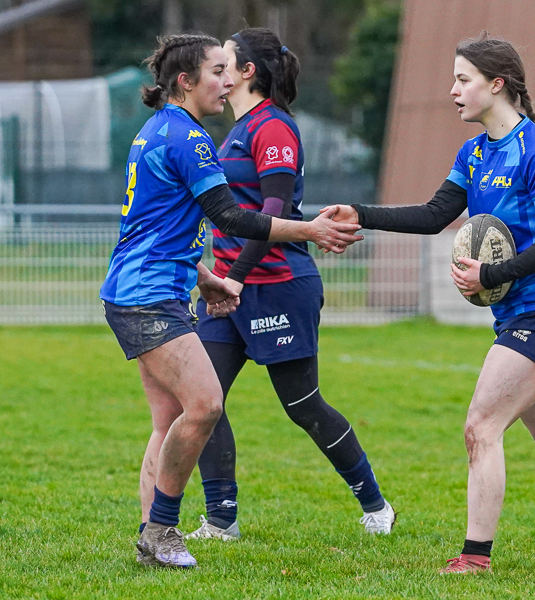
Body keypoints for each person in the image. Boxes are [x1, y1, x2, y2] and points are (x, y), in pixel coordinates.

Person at [323, 32, 535, 573]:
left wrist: (491, 273)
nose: (453, 91)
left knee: (480, 427)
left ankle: (475, 558)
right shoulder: (475, 152)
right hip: (519, 315)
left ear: (496, 85)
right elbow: (436, 214)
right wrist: (361, 214)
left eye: (463, 80)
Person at [100, 32, 363, 569]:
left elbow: (151, 228)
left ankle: (152, 533)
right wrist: (309, 231)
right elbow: (235, 218)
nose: (227, 81)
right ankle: (163, 532)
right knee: (206, 404)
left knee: (169, 418)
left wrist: (203, 278)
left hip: (143, 289)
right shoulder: (190, 139)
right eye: (216, 71)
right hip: (149, 299)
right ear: (185, 81)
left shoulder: (154, 130)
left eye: (228, 69)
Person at [181, 28, 395, 543]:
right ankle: (221, 519)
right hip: (230, 290)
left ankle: (376, 505)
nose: (218, 68)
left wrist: (233, 277)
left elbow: (274, 212)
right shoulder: (231, 131)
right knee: (203, 399)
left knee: (302, 405)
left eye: (226, 61)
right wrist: (221, 279)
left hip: (278, 286)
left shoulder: (272, 127)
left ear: (247, 71)